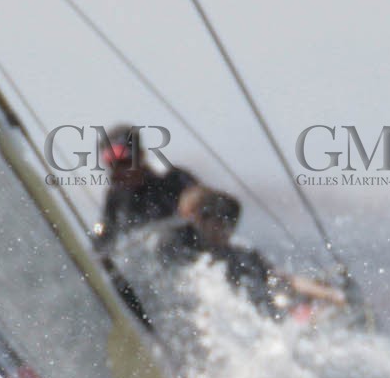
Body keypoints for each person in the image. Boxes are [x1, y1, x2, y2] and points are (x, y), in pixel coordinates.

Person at [170, 186, 345, 317]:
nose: (225, 227)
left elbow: (285, 280)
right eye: (215, 218)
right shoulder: (175, 250)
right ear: (190, 215)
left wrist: (330, 294)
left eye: (231, 221)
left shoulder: (242, 257)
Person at [91, 124, 202, 252]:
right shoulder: (115, 199)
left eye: (124, 163)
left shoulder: (173, 181)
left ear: (140, 156)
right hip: (144, 267)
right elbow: (105, 239)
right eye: (112, 165)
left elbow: (210, 208)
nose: (118, 171)